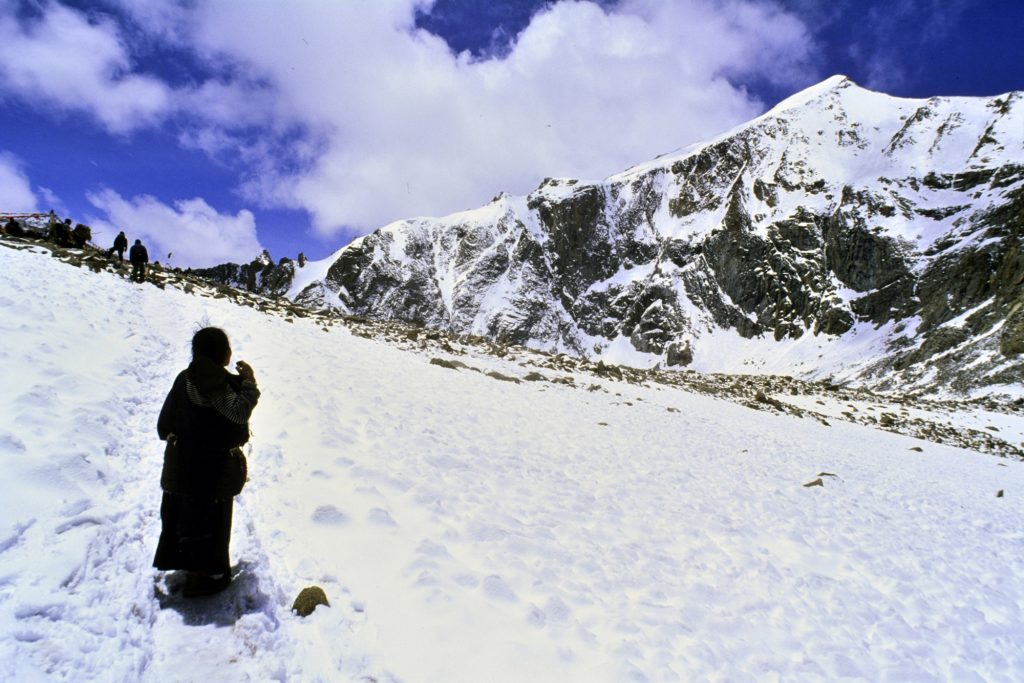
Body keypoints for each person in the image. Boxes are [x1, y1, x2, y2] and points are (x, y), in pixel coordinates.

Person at [154, 327, 260, 597]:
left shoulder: (185, 378)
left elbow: (164, 423)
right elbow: (237, 413)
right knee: (211, 518)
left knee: (184, 514)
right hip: (211, 468)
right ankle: (207, 577)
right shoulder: (214, 382)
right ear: (221, 353)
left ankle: (189, 567)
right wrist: (249, 383)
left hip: (181, 464)